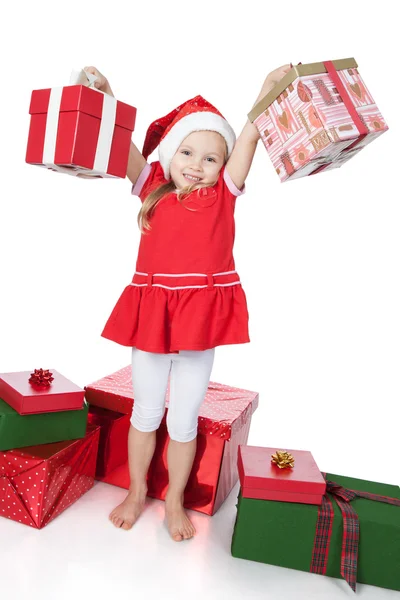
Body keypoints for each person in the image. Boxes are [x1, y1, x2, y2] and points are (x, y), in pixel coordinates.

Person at [84, 64, 290, 541]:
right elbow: (121, 151)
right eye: (187, 152)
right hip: (153, 317)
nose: (197, 165)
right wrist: (107, 97)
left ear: (223, 167)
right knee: (146, 411)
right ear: (171, 153)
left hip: (198, 319)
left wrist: (266, 91)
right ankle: (137, 492)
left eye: (211, 158)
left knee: (183, 418)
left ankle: (174, 499)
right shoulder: (153, 187)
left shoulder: (223, 195)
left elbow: (250, 139)